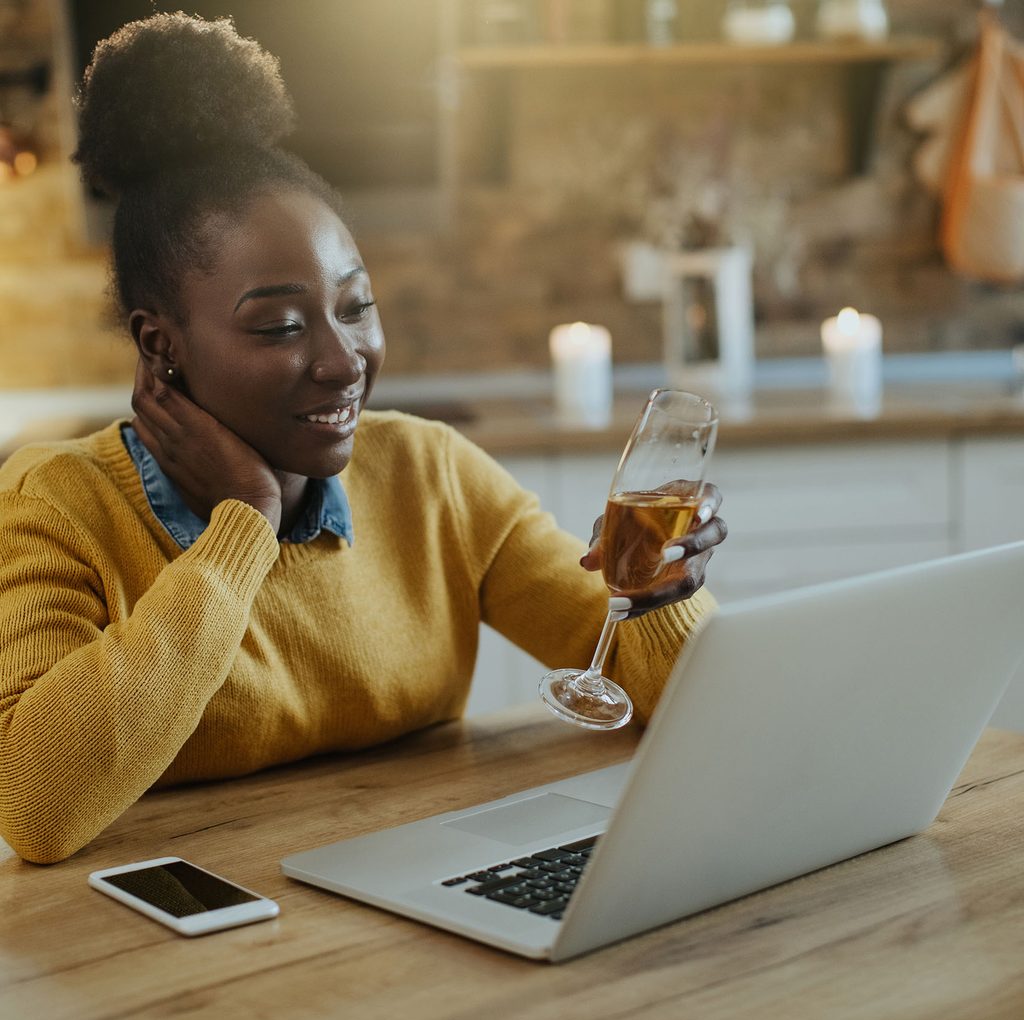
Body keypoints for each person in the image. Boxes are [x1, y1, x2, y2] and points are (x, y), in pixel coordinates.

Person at [0, 13, 726, 865]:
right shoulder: (59, 505)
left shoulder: (429, 473)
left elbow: (692, 703)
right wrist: (244, 527)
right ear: (161, 345)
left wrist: (659, 600)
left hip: (415, 886)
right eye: (279, 326)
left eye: (355, 307)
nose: (344, 361)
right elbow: (35, 805)